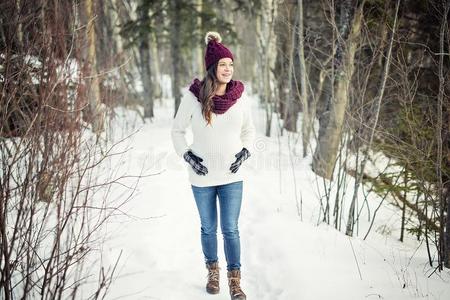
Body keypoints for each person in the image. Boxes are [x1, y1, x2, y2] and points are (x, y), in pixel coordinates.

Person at [171, 31, 255, 300]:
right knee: (208, 227)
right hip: (202, 175)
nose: (228, 69)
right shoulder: (194, 97)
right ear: (212, 68)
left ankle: (235, 280)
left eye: (231, 64)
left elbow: (249, 131)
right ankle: (213, 272)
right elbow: (177, 131)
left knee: (230, 228)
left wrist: (245, 152)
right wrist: (188, 156)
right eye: (223, 64)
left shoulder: (240, 97)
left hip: (232, 175)